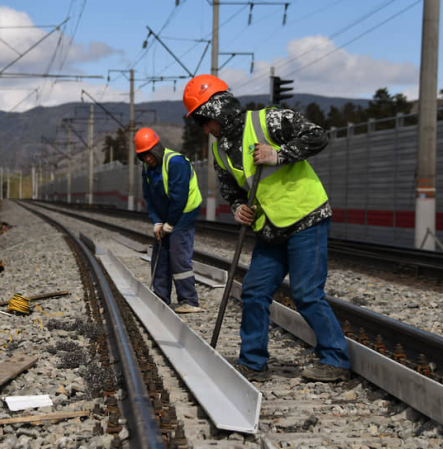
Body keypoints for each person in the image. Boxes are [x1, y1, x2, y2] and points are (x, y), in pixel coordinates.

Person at [182, 74, 350, 382]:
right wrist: (237, 209)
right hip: (270, 229)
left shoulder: (269, 121)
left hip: (305, 218)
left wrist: (278, 155)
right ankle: (253, 363)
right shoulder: (220, 151)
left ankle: (335, 360)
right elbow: (231, 191)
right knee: (254, 292)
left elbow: (318, 136)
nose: (206, 128)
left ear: (218, 109)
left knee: (306, 293)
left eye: (205, 120)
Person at [136, 127, 204, 314]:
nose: (147, 159)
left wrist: (170, 224)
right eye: (142, 156)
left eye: (149, 154)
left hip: (184, 211)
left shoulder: (175, 162)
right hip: (167, 213)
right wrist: (157, 222)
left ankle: (189, 300)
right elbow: (149, 197)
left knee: (178, 254)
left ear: (156, 148)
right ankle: (160, 297)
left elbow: (179, 198)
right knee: (160, 252)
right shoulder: (146, 168)